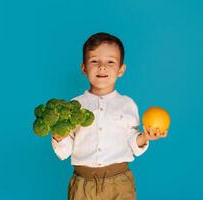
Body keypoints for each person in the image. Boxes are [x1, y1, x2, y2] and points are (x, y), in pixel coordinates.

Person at [51, 32, 168, 200]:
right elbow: (65, 151)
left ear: (121, 69)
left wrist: (144, 137)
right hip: (83, 185)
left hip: (119, 184)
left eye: (110, 62)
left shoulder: (128, 104)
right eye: (94, 61)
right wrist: (58, 137)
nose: (102, 67)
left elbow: (132, 141)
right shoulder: (73, 106)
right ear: (84, 68)